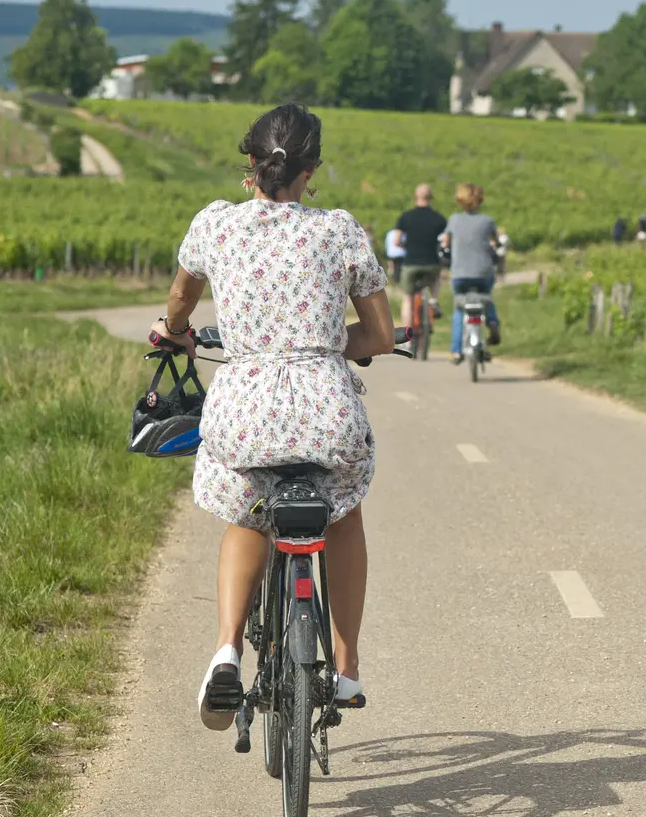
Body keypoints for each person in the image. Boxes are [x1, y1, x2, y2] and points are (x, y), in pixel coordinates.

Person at [152, 103, 397, 727]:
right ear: (309, 171)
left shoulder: (216, 226)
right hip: (325, 408)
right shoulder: (339, 230)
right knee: (341, 513)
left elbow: (181, 300)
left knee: (247, 511)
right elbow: (379, 334)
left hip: (244, 408)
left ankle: (227, 650)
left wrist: (176, 331)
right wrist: (320, 344)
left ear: (251, 165)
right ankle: (344, 668)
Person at [442, 183, 503, 361]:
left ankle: (455, 350)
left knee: (459, 308)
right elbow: (496, 242)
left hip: (460, 275)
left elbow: (445, 242)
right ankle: (492, 324)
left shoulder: (454, 220)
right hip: (483, 273)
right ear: (480, 200)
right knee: (486, 298)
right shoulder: (487, 221)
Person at [395, 183, 447, 327]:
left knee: (407, 298)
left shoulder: (406, 217)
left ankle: (407, 338)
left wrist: (406, 247)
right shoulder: (439, 218)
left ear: (415, 197)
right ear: (431, 198)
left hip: (411, 263)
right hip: (432, 263)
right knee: (436, 277)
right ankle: (434, 300)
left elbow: (396, 241)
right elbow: (445, 242)